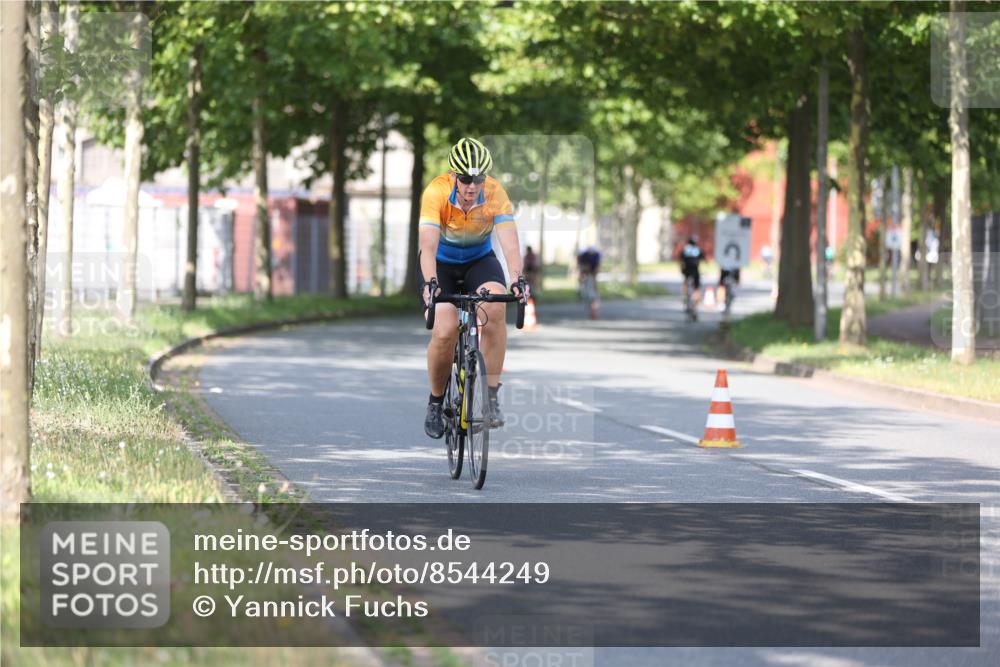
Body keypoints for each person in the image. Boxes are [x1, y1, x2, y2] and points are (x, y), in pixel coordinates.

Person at [417, 137, 529, 439]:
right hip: (440, 265)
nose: (471, 186)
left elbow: (509, 244)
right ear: (454, 176)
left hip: (480, 261)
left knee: (494, 309)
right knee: (445, 328)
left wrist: (518, 279)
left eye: (478, 179)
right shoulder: (436, 192)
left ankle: (491, 397)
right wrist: (431, 283)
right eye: (465, 179)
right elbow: (427, 246)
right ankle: (436, 402)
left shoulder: (494, 193)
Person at [679, 236, 704, 307]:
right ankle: (696, 302)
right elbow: (703, 259)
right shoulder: (698, 250)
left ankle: (684, 296)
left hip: (686, 269)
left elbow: (681, 260)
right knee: (697, 287)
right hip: (695, 270)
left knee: (686, 282)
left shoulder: (686, 250)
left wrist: (681, 268)